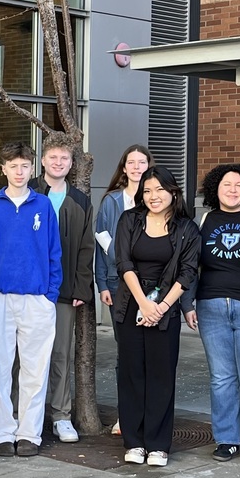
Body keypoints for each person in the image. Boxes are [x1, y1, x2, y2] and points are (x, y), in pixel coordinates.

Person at [181, 164, 240, 466]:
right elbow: (190, 265)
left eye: (239, 185)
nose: (232, 190)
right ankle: (227, 439)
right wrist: (188, 303)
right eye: (226, 185)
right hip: (210, 307)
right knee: (221, 378)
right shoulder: (203, 220)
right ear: (215, 189)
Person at [0, 142, 61, 458]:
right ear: (3, 168)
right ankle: (0, 432)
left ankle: (29, 433)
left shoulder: (43, 205)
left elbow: (54, 253)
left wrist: (51, 295)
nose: (19, 171)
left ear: (31, 168)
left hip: (37, 299)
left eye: (25, 165)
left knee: (35, 371)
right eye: (14, 165)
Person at [114, 165, 199, 467]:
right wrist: (144, 304)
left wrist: (160, 307)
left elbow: (188, 272)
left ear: (173, 192)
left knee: (161, 377)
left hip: (167, 309)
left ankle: (158, 444)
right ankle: (134, 442)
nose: (153, 196)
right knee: (132, 374)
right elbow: (123, 263)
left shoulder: (187, 228)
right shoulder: (129, 220)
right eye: (147, 190)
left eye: (160, 190)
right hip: (131, 305)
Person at [29, 133, 95, 443]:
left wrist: (82, 288)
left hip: (65, 289)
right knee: (24, 354)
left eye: (64, 159)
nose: (58, 163)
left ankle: (61, 415)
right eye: (53, 158)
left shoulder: (80, 200)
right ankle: (25, 413)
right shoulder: (26, 193)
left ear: (71, 164)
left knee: (60, 354)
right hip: (27, 289)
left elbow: (85, 248)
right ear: (42, 161)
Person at [95, 144, 153, 435]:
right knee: (125, 352)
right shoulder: (111, 202)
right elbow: (101, 241)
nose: (136, 167)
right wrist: (102, 282)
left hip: (152, 287)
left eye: (142, 162)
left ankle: (149, 412)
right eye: (131, 162)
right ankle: (126, 414)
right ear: (124, 167)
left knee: (149, 351)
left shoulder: (156, 198)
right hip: (118, 285)